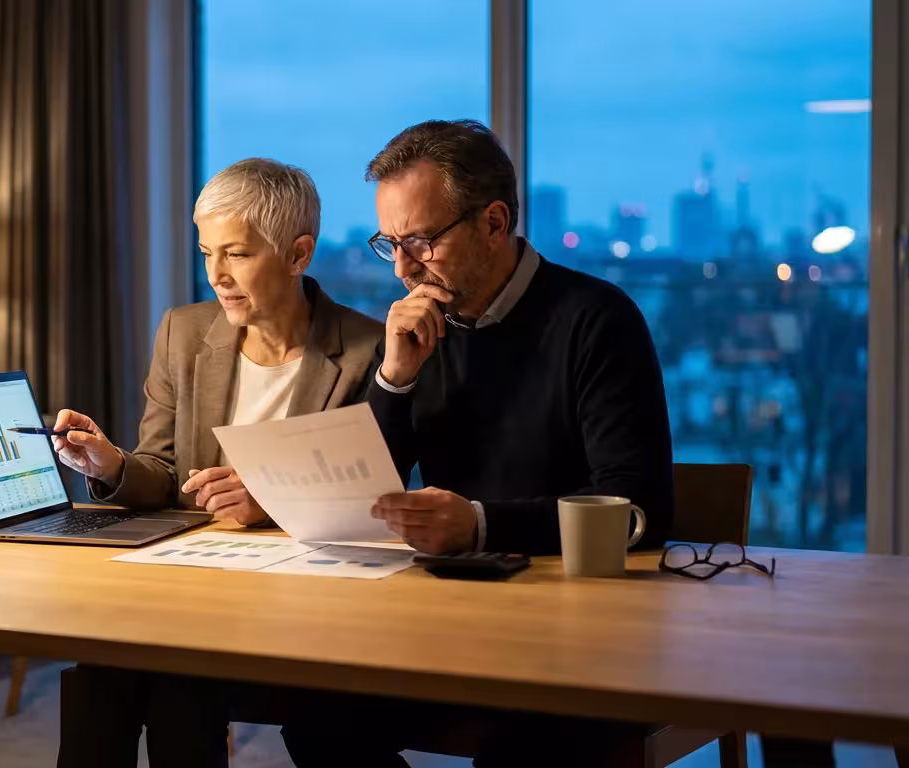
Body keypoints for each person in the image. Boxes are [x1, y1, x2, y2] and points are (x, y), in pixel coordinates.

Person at [278, 119, 675, 767]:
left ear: (494, 223)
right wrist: (394, 377)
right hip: (450, 619)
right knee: (317, 711)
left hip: (581, 633)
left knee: (527, 746)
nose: (403, 268)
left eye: (422, 242)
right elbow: (362, 493)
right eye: (390, 243)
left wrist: (481, 525)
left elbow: (639, 506)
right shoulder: (419, 329)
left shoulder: (597, 320)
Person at [51, 157, 384, 768]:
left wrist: (272, 500)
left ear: (298, 253)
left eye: (237, 255)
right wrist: (110, 465)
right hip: (191, 584)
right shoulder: (183, 332)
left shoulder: (369, 350)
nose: (217, 276)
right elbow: (161, 470)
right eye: (207, 253)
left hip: (306, 599)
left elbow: (376, 501)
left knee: (179, 682)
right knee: (101, 673)